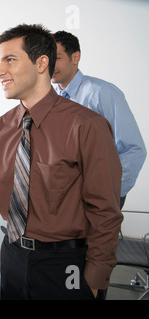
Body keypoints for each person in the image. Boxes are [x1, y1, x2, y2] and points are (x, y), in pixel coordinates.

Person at [0, 24, 123, 300]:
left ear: (41, 63)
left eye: (10, 60)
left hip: (67, 264)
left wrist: (95, 277)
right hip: (13, 255)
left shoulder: (87, 126)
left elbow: (105, 210)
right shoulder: (0, 127)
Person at [51, 30, 146, 209]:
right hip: (66, 200)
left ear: (75, 57)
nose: (50, 64)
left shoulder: (103, 92)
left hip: (100, 198)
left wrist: (112, 193)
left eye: (57, 58)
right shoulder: (52, 99)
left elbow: (133, 148)